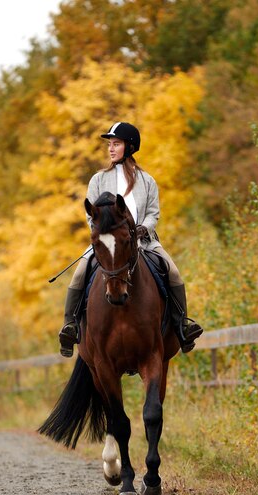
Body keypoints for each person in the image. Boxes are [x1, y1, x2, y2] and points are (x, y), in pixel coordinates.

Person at [59, 121, 203, 357]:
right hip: (108, 244)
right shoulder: (98, 180)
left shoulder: (147, 181)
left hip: (144, 242)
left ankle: (182, 326)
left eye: (116, 144)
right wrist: (102, 235)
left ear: (130, 146)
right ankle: (70, 327)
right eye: (110, 144)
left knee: (173, 271)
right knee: (79, 274)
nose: (111, 149)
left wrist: (143, 229)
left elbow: (153, 213)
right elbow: (91, 214)